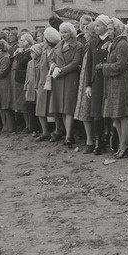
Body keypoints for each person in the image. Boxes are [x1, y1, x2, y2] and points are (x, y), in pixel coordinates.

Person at [98, 18, 128, 158]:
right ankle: (121, 146)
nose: (109, 32)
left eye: (111, 29)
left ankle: (124, 146)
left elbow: (121, 65)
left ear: (118, 29)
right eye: (108, 29)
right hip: (113, 83)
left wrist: (104, 67)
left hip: (120, 83)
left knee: (122, 115)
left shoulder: (122, 44)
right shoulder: (115, 43)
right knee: (115, 116)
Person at [49, 22, 84, 147]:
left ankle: (69, 135)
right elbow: (51, 58)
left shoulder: (78, 46)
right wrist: (54, 67)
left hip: (70, 78)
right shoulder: (59, 44)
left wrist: (61, 71)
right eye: (61, 32)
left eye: (65, 32)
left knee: (68, 107)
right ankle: (68, 134)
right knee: (62, 108)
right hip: (58, 79)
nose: (63, 34)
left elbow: (75, 63)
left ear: (72, 32)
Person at [86, 15, 113, 153]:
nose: (95, 28)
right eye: (94, 26)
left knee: (110, 110)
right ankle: (99, 141)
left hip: (109, 79)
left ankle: (111, 138)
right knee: (97, 112)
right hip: (96, 80)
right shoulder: (93, 43)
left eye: (98, 25)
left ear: (105, 26)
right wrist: (88, 84)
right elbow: (89, 65)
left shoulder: (112, 40)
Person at [74, 22, 97, 152]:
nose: (85, 35)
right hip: (84, 81)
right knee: (85, 111)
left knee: (90, 111)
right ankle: (89, 139)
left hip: (90, 82)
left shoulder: (94, 46)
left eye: (87, 33)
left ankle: (94, 139)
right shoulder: (87, 46)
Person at [25, 43, 43, 137]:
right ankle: (34, 129)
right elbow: (27, 76)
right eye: (30, 53)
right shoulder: (29, 63)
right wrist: (26, 88)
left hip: (39, 89)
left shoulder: (41, 62)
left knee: (39, 109)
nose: (31, 54)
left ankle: (41, 128)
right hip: (31, 89)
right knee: (31, 111)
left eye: (33, 52)